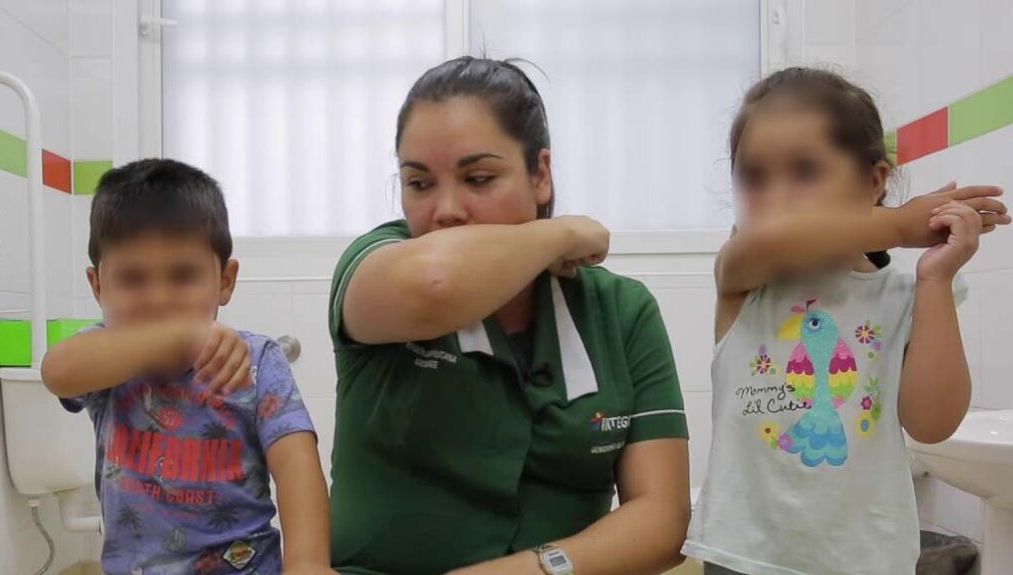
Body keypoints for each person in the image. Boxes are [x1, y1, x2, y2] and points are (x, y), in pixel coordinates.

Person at [328, 57, 691, 575]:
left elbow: (661, 519)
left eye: (478, 178)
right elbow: (437, 285)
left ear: (540, 174)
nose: (446, 209)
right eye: (420, 183)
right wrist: (560, 233)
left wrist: (532, 570)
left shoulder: (620, 312)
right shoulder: (379, 267)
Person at [682, 67, 1010, 575]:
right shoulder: (744, 274)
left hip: (864, 559)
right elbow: (777, 239)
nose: (775, 196)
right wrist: (902, 223)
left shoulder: (903, 293)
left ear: (874, 181)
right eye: (753, 176)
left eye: (805, 171)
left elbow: (932, 421)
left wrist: (936, 281)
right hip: (745, 554)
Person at [42, 159, 335, 575]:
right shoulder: (106, 355)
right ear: (98, 286)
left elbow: (295, 465)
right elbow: (57, 371)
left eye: (182, 276)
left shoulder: (256, 360)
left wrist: (308, 563)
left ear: (225, 281)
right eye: (133, 279)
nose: (159, 299)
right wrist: (180, 336)